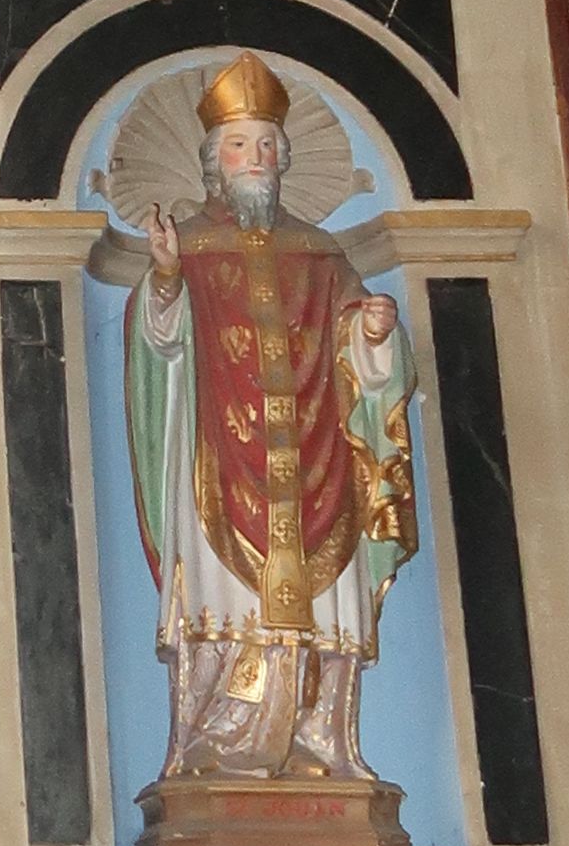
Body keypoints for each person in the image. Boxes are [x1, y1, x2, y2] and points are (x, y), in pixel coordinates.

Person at [122, 50, 417, 802]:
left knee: (327, 601)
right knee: (223, 599)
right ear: (212, 162)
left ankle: (322, 745)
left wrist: (374, 334)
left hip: (318, 464)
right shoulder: (186, 246)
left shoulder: (322, 253)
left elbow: (363, 355)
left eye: (264, 145)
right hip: (218, 462)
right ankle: (214, 750)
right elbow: (158, 346)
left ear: (283, 159)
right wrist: (164, 279)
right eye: (237, 145)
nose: (253, 158)